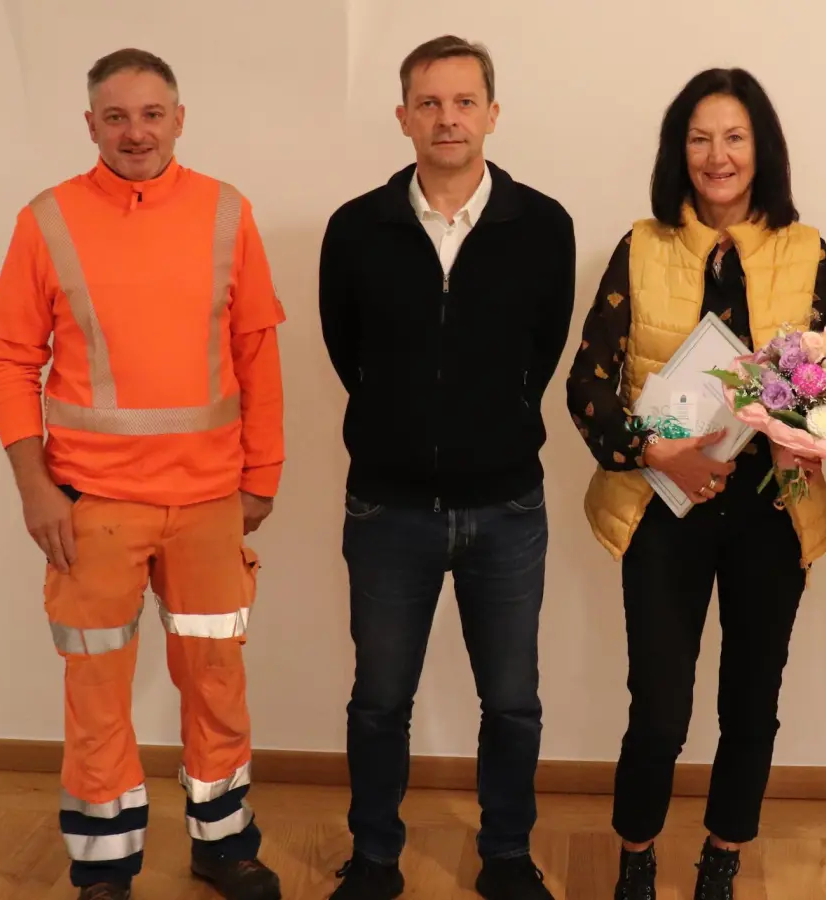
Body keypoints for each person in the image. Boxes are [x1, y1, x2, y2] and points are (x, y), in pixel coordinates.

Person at [0, 48, 287, 900]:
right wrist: (35, 488)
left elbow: (257, 351)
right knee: (97, 690)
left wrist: (261, 475)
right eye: (115, 117)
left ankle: (224, 847)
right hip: (92, 507)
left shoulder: (228, 212)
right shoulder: (47, 220)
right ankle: (103, 865)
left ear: (180, 119)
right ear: (89, 127)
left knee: (217, 682)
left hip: (210, 502)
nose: (135, 132)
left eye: (152, 114)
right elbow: (9, 359)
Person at [568, 68, 826, 900]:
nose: (715, 156)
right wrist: (659, 456)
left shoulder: (808, 249)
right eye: (698, 138)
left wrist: (812, 441)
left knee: (751, 701)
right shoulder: (642, 245)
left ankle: (722, 859)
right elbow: (586, 388)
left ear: (762, 149)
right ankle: (636, 856)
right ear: (677, 151)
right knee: (658, 700)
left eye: (733, 138)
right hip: (662, 508)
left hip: (773, 512)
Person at [316, 35, 576, 900]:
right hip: (388, 511)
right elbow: (346, 351)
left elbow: (541, 354)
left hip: (507, 507)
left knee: (512, 703)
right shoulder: (357, 228)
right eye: (428, 103)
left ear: (493, 115)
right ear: (402, 118)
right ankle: (376, 858)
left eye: (464, 102)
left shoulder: (544, 226)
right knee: (379, 702)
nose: (447, 118)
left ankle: (506, 854)